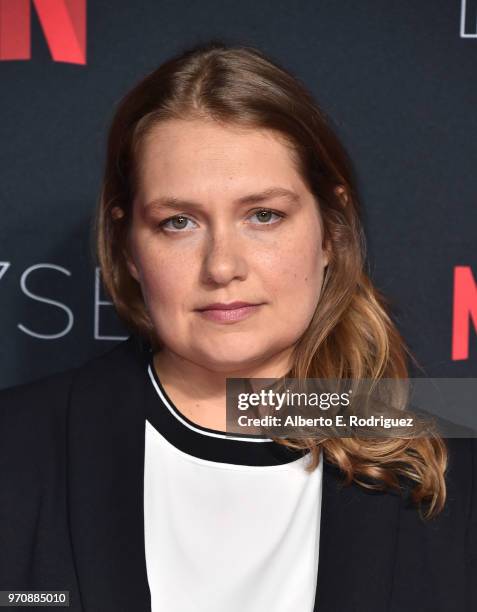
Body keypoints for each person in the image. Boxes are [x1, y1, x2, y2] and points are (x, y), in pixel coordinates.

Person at [0, 41, 475, 612]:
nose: (222, 266)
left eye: (263, 216)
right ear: (128, 247)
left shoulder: (445, 452)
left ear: (330, 232)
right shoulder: (18, 446)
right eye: (178, 222)